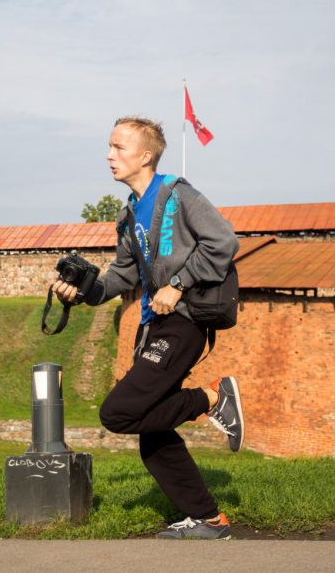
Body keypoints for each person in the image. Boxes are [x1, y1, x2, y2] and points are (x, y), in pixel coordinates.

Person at [53, 116, 243, 540]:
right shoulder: (128, 216)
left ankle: (213, 398)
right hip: (157, 325)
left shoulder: (179, 195)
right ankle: (209, 520)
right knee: (152, 434)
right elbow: (119, 278)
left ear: (145, 155)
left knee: (117, 413)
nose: (109, 155)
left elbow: (224, 242)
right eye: (109, 146)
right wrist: (81, 292)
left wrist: (177, 285)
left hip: (187, 319)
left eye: (119, 148)